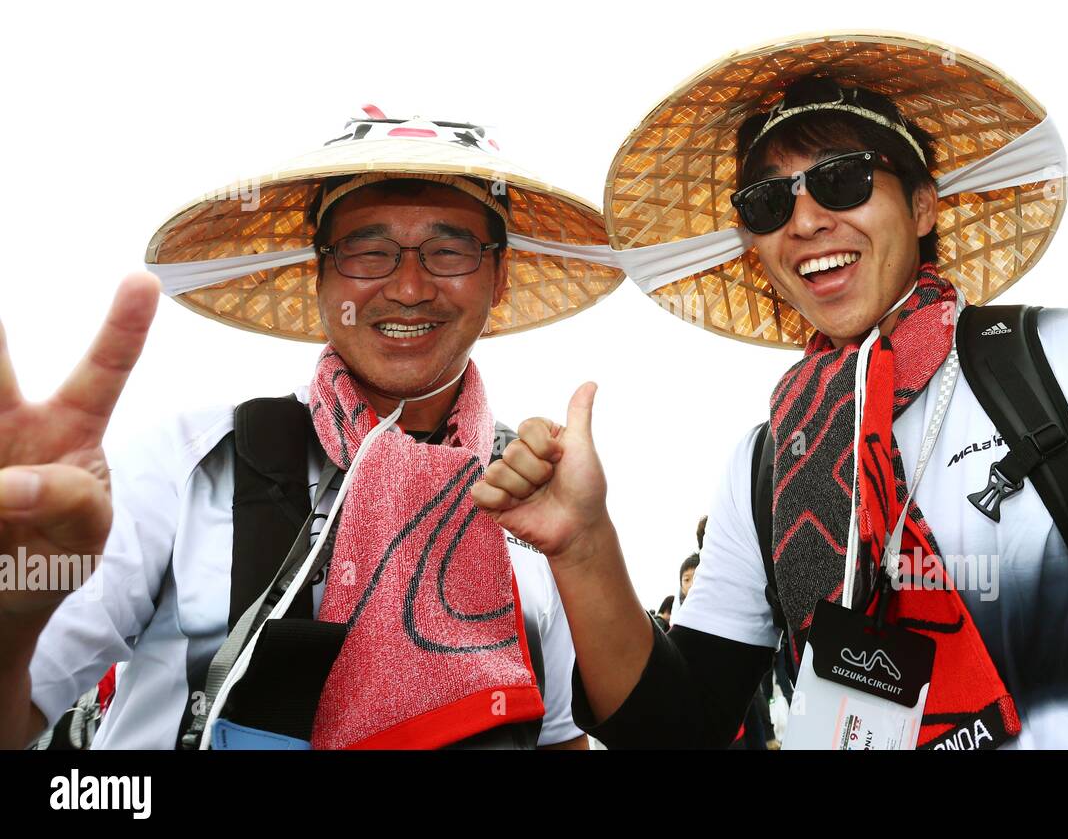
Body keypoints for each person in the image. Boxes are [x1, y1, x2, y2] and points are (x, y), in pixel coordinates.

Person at [472, 33, 1068, 749]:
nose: (804, 221)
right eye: (767, 201)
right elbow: (678, 728)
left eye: (841, 178)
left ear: (924, 202)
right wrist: (583, 547)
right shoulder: (767, 464)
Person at [1, 107, 624, 750]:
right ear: (320, 275)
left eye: (450, 250)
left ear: (497, 278)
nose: (409, 287)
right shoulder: (189, 466)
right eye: (366, 250)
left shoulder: (535, 499)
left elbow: (556, 737)